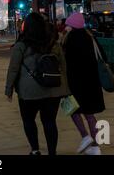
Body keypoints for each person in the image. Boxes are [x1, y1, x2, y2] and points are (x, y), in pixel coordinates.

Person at [5, 13, 69, 156]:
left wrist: (9, 89)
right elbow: (63, 67)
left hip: (29, 92)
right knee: (50, 122)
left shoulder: (21, 45)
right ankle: (52, 151)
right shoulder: (54, 44)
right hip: (53, 90)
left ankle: (35, 150)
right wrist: (66, 89)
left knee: (28, 120)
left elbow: (13, 69)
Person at [63, 12, 106, 155]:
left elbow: (65, 62)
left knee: (73, 110)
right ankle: (95, 147)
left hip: (75, 82)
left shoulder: (69, 40)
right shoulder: (91, 38)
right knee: (90, 114)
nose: (66, 27)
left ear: (73, 25)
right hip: (92, 82)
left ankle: (85, 136)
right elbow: (103, 57)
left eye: (68, 25)